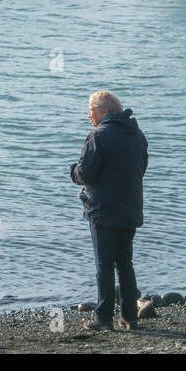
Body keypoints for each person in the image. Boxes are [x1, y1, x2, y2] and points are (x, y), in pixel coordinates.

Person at [70, 90, 149, 330]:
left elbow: (85, 174)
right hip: (130, 208)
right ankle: (130, 317)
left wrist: (73, 171)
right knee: (125, 264)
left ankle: (103, 319)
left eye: (90, 110)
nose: (88, 115)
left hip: (103, 211)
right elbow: (140, 169)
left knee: (103, 266)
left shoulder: (98, 136)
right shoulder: (137, 135)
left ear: (103, 111)